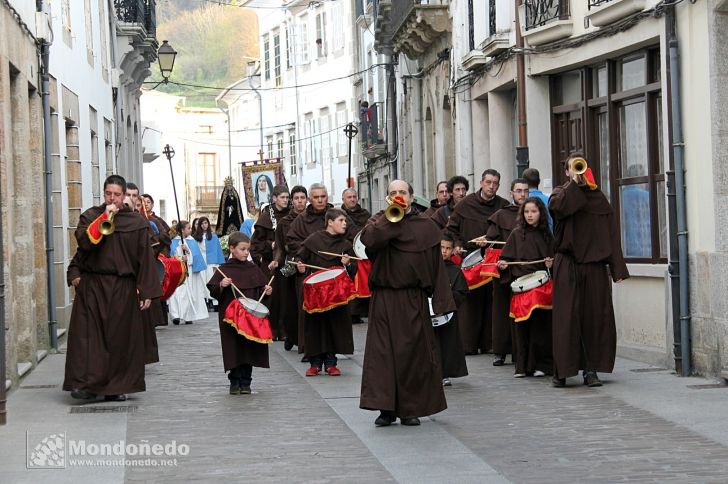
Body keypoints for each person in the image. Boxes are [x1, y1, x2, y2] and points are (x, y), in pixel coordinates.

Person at [359, 180, 456, 427]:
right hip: (384, 297)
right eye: (393, 193)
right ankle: (385, 409)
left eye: (402, 192)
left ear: (412, 197)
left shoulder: (425, 226)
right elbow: (369, 242)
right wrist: (391, 220)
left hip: (413, 298)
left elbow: (436, 267)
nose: (398, 196)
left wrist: (443, 302)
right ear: (387, 198)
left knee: (412, 355)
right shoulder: (377, 221)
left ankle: (409, 409)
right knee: (383, 355)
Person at [63, 175, 160, 402]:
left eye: (117, 194)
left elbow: (144, 258)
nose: (113, 198)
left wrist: (146, 290)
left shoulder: (136, 222)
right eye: (109, 194)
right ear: (104, 193)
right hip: (93, 286)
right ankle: (86, 385)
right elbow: (84, 244)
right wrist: (104, 218)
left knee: (119, 338)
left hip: (122, 287)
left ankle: (116, 386)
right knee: (89, 338)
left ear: (124, 195)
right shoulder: (90, 216)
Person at [548, 154, 629, 388]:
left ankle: (591, 370)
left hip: (594, 267)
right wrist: (574, 184)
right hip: (568, 264)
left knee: (595, 318)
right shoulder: (560, 193)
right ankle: (561, 371)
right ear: (567, 172)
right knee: (566, 318)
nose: (578, 171)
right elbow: (558, 209)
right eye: (573, 168)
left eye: (581, 167)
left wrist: (617, 268)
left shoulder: (599, 198)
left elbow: (611, 234)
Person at [445, 169, 510, 355]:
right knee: (471, 305)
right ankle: (469, 344)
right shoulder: (466, 204)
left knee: (492, 304)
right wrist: (457, 245)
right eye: (488, 182)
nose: (491, 186)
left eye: (495, 183)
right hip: (471, 260)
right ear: (481, 183)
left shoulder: (503, 206)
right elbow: (452, 229)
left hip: (492, 262)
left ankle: (490, 343)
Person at [207, 232, 273, 394]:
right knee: (233, 348)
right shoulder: (224, 269)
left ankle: (246, 382)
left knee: (249, 347)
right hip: (231, 318)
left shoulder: (253, 269)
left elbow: (261, 290)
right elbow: (214, 291)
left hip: (250, 318)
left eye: (247, 250)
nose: (246, 253)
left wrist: (268, 290)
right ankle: (234, 380)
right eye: (242, 249)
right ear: (232, 248)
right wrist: (221, 285)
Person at [497, 197, 555, 378]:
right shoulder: (516, 234)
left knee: (541, 327)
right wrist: (503, 264)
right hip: (521, 286)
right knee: (521, 328)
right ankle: (522, 366)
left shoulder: (547, 235)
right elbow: (506, 257)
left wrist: (550, 262)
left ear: (541, 213)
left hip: (541, 287)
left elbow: (554, 258)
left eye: (534, 212)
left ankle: (542, 365)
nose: (530, 215)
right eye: (527, 212)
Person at [295, 209, 356, 376]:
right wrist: (300, 267)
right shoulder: (313, 240)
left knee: (334, 326)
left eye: (345, 221)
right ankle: (315, 363)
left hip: (336, 294)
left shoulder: (345, 245)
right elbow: (299, 259)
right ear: (330, 222)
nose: (345, 223)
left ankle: (331, 362)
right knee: (315, 326)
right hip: (316, 293)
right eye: (341, 220)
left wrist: (347, 264)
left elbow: (353, 270)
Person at [286, 183, 335, 355]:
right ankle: (310, 350)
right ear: (310, 199)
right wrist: (311, 248)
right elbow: (291, 241)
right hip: (309, 269)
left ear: (327, 197)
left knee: (332, 312)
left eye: (323, 197)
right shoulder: (301, 219)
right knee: (309, 312)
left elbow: (347, 235)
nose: (320, 200)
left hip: (332, 271)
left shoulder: (335, 216)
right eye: (316, 197)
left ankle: (331, 351)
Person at [485, 178, 529, 366]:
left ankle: (523, 352)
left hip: (526, 270)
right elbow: (492, 242)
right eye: (518, 191)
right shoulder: (501, 215)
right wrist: (488, 244)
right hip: (504, 270)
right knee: (501, 310)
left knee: (523, 311)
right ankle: (500, 351)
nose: (522, 194)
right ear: (511, 193)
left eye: (525, 191)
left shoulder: (533, 213)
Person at [252, 185, 291, 340]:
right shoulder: (266, 217)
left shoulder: (291, 215)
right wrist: (270, 246)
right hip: (269, 264)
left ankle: (285, 330)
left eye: (287, 197)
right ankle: (271, 329)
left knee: (286, 298)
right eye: (283, 197)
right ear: (275, 198)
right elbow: (254, 244)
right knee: (272, 298)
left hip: (287, 262)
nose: (286, 200)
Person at [274, 185, 308, 351]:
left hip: (308, 265)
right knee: (290, 304)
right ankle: (291, 335)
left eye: (302, 198)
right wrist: (277, 261)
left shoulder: (313, 219)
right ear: (292, 201)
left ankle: (306, 339)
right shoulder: (284, 222)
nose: (300, 201)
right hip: (290, 267)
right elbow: (280, 245)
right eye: (296, 198)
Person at [436, 235, 469, 386]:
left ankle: (445, 374)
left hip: (448, 313)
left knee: (446, 344)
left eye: (448, 248)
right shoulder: (429, 267)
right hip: (429, 312)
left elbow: (462, 292)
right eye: (442, 247)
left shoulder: (455, 271)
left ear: (452, 251)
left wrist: (448, 298)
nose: (444, 251)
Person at [340, 188, 371, 325]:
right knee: (352, 283)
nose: (352, 199)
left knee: (367, 282)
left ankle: (366, 310)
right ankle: (353, 313)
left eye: (354, 196)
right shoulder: (339, 214)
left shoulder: (365, 214)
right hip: (349, 254)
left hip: (364, 254)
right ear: (343, 199)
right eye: (349, 197)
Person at [169, 220, 209, 324]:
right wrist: (180, 254)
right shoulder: (174, 241)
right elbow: (172, 257)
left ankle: (188, 315)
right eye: (189, 228)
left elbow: (195, 256)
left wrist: (188, 252)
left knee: (189, 293)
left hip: (190, 272)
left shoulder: (192, 241)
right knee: (176, 293)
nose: (191, 230)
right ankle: (176, 315)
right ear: (182, 230)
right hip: (179, 272)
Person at [194, 217, 226, 311]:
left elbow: (218, 250)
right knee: (202, 283)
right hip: (201, 262)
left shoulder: (213, 236)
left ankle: (215, 302)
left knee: (212, 282)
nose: (204, 225)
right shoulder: (196, 237)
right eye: (202, 223)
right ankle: (206, 302)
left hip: (211, 263)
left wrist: (218, 263)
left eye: (206, 223)